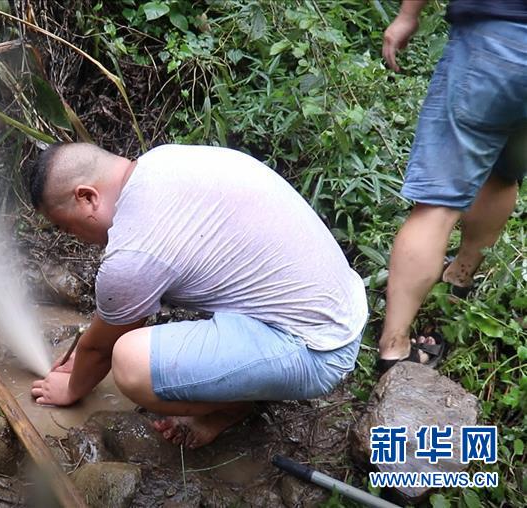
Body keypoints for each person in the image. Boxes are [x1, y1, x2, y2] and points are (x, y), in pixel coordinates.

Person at [26, 143, 368, 448]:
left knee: (130, 363)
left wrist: (71, 388)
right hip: (341, 305)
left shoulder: (134, 251)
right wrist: (86, 355)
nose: (72, 237)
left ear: (87, 197)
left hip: (318, 349)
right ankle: (246, 385)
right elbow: (101, 335)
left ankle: (230, 409)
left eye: (65, 226)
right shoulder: (163, 161)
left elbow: (101, 348)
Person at [376, 0, 527, 373]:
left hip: (491, 43)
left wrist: (408, 15)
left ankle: (394, 347)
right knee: (504, 172)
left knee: (437, 204)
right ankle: (460, 277)